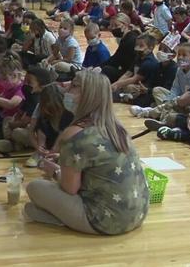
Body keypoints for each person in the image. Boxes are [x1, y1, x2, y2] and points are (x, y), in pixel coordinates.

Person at [24, 71, 149, 235]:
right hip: (137, 213)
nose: (66, 87)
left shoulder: (74, 133)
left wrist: (54, 171)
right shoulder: (116, 127)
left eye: (74, 85)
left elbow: (70, 189)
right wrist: (65, 159)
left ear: (87, 96)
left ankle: (63, 219)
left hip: (105, 221)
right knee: (33, 208)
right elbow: (98, 160)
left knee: (35, 188)